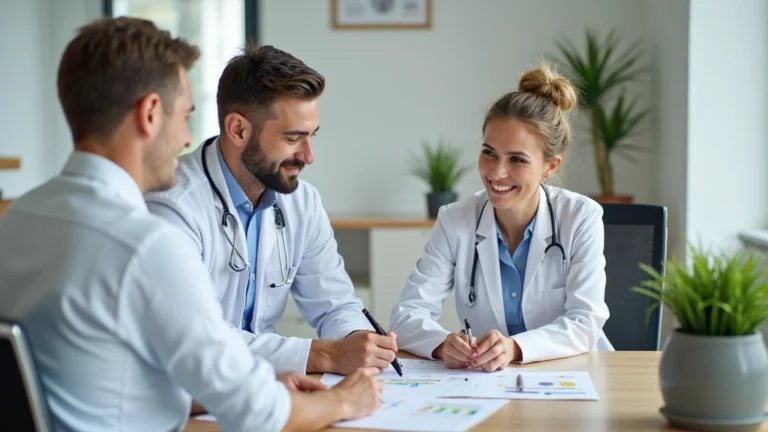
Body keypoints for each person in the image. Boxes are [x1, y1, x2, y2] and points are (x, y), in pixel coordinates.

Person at [0, 17, 382, 432]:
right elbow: (258, 413)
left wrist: (261, 382)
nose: (186, 138)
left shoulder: (20, 216)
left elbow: (104, 375)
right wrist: (344, 400)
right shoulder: (146, 243)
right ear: (149, 113)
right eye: (185, 115)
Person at [144, 43, 398, 375]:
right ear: (238, 129)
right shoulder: (173, 207)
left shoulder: (302, 202)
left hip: (264, 387)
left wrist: (358, 339)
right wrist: (325, 356)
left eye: (311, 136)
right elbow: (194, 336)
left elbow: (335, 305)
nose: (309, 156)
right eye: (293, 139)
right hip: (191, 394)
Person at [389, 64, 613, 371]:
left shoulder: (580, 217)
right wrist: (441, 345)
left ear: (550, 166)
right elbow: (407, 314)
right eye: (489, 153)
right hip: (489, 381)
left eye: (517, 159)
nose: (496, 172)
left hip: (572, 374)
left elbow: (585, 322)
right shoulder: (456, 220)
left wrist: (515, 348)